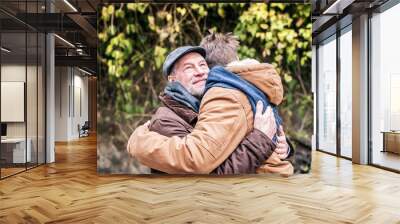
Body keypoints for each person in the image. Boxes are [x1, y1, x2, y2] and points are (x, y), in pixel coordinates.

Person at [127, 40, 293, 175]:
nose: (199, 71)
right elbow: (210, 176)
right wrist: (260, 140)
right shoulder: (165, 120)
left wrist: (282, 146)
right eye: (189, 68)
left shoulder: (216, 101)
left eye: (202, 65)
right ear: (172, 79)